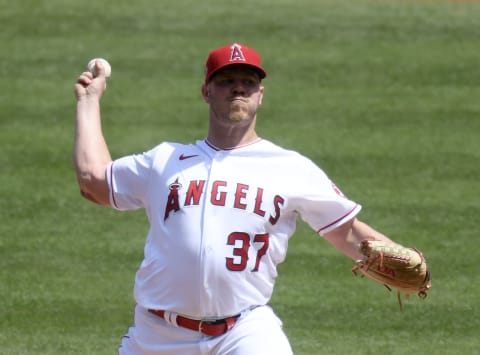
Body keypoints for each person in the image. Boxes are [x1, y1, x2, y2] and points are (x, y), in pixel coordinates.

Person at [74, 43, 395, 355]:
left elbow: (348, 232)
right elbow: (93, 181)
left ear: (260, 95)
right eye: (226, 81)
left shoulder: (289, 167)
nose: (238, 89)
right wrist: (89, 101)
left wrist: (404, 257)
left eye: (248, 82)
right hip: (158, 336)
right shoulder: (165, 160)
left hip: (244, 331)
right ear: (206, 91)